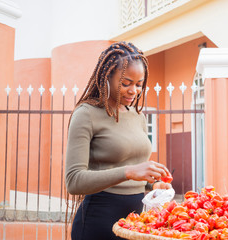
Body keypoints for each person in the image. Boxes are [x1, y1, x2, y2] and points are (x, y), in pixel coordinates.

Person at [65, 41, 172, 240]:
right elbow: (74, 181)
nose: (134, 91)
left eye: (139, 84)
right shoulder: (87, 114)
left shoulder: (137, 116)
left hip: (134, 223)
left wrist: (152, 186)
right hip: (98, 222)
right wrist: (130, 172)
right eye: (126, 83)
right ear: (107, 77)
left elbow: (131, 173)